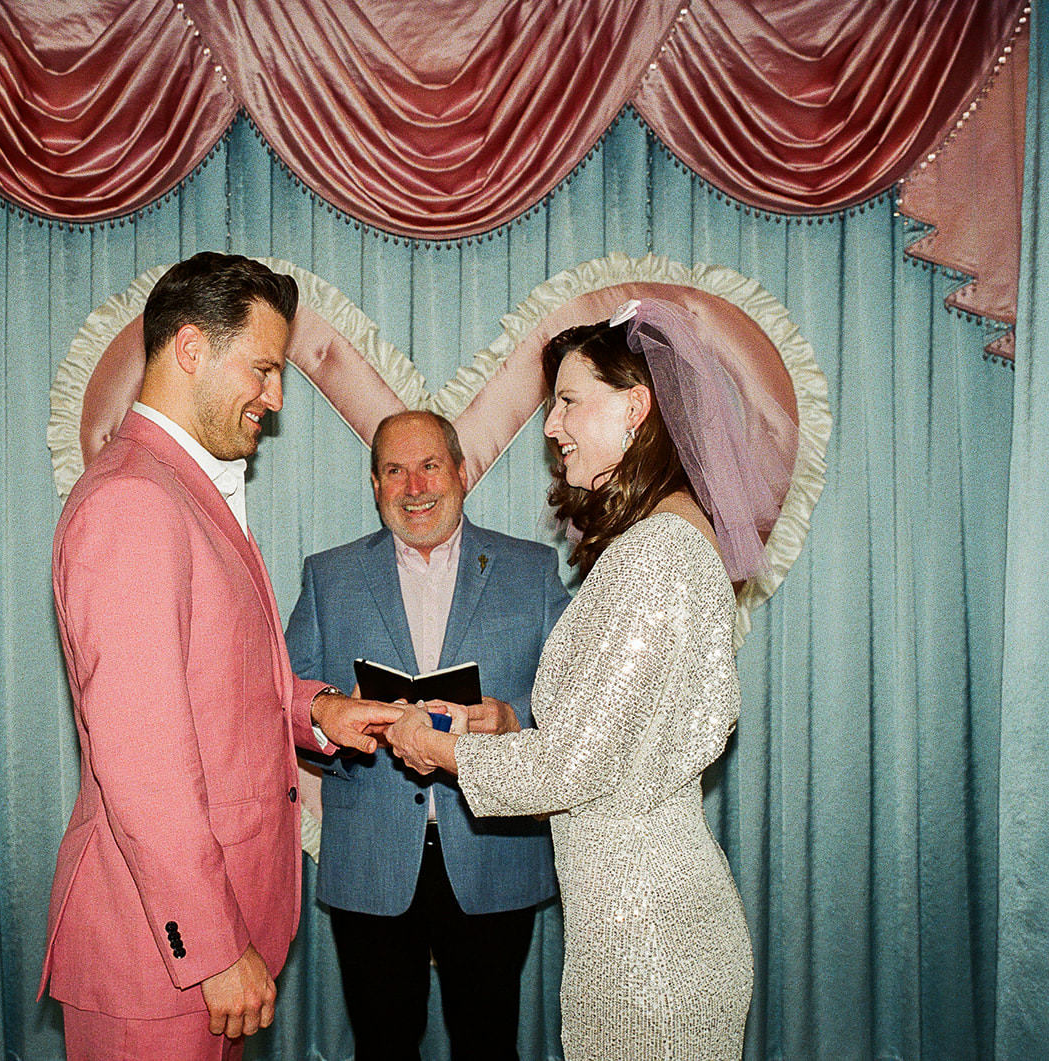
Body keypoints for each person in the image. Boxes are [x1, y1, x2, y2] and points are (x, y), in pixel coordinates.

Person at [384, 298, 781, 1060]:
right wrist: (500, 725)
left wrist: (439, 747)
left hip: (647, 942)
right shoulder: (664, 542)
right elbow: (608, 745)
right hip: (634, 919)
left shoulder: (657, 553)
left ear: (636, 406)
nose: (550, 426)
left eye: (568, 401)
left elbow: (575, 767)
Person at [41, 251, 404, 1061]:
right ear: (192, 348)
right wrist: (208, 948)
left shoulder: (177, 486)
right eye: (265, 369)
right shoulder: (134, 501)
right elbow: (142, 761)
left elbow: (219, 686)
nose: (275, 401)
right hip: (161, 960)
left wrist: (316, 710)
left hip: (194, 945)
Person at [285, 410, 569, 1061]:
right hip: (372, 859)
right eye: (393, 469)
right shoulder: (328, 576)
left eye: (429, 465)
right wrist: (333, 720)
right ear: (375, 484)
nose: (414, 485)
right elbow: (285, 702)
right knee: (382, 1047)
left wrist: (510, 718)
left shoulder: (531, 569)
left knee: (488, 1045)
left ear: (462, 473)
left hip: (493, 852)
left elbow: (579, 702)